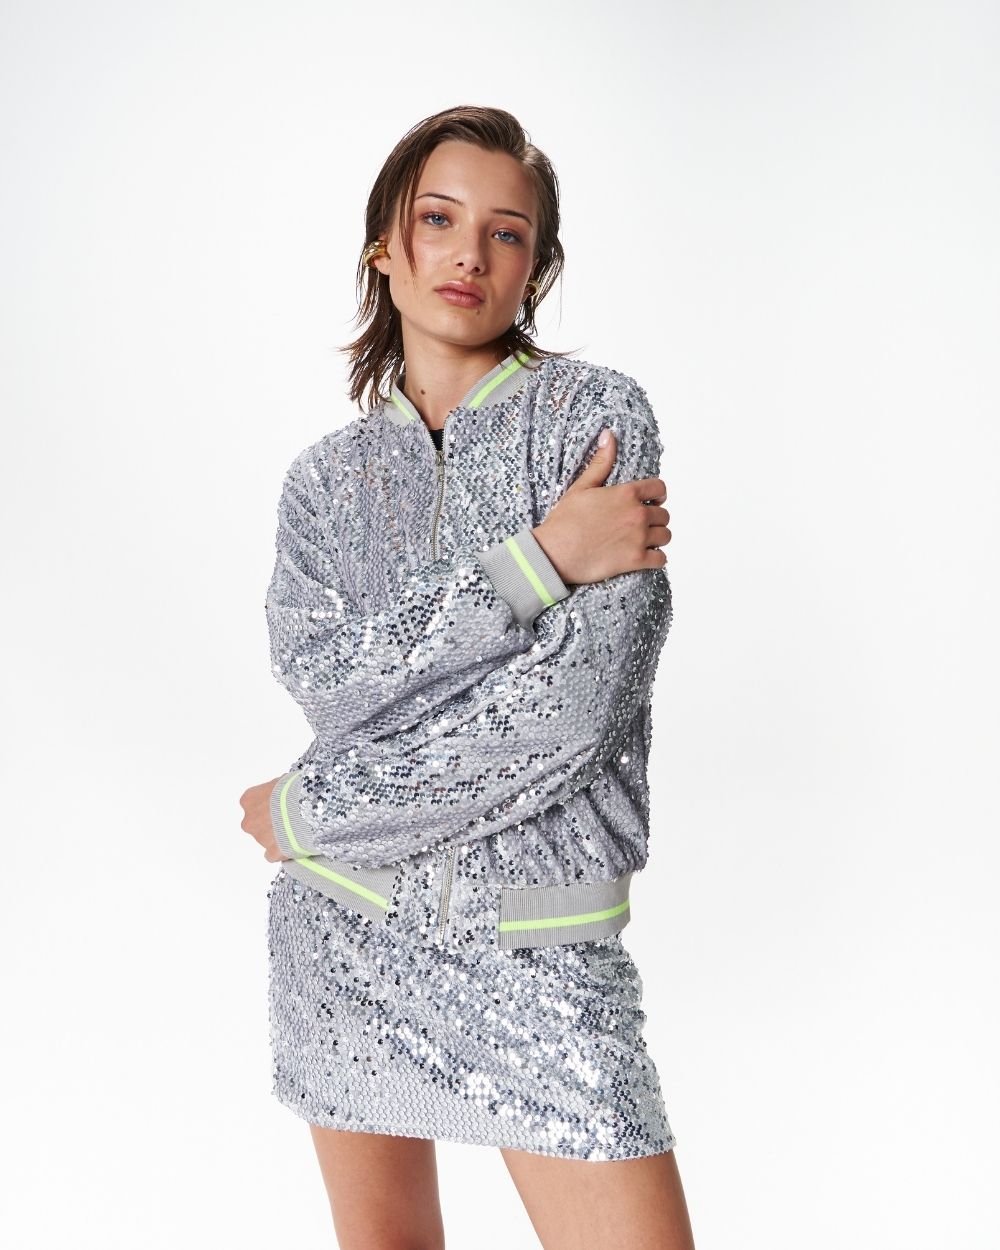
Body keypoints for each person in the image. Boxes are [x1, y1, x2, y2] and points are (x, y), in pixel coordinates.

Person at [241, 105, 696, 1250]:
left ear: (535, 266)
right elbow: (333, 683)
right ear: (383, 246)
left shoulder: (594, 422)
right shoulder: (322, 483)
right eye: (438, 219)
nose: (468, 253)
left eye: (506, 232)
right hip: (343, 933)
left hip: (542, 946)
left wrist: (313, 806)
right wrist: (536, 563)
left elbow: (569, 716)